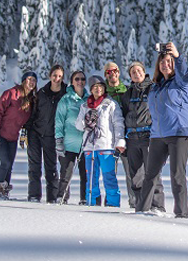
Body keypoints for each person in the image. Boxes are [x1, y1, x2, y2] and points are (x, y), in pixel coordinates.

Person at [136, 42, 188, 218]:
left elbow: (184, 73)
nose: (165, 64)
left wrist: (177, 56)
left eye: (169, 61)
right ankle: (141, 211)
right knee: (150, 175)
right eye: (162, 61)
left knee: (177, 175)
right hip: (158, 135)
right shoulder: (155, 87)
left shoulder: (180, 83)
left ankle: (181, 213)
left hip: (179, 132)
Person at [119, 61, 165, 211]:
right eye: (133, 72)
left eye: (138, 71)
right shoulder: (127, 94)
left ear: (144, 72)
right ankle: (141, 206)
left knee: (153, 173)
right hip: (132, 138)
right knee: (136, 176)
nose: (136, 74)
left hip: (148, 137)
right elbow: (124, 115)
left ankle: (157, 206)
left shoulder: (153, 89)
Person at [75, 75, 126, 207]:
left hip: (106, 146)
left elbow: (118, 123)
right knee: (91, 179)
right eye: (95, 87)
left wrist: (119, 141)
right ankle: (91, 203)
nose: (98, 89)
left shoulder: (110, 104)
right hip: (89, 147)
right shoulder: (85, 106)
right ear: (91, 89)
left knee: (109, 177)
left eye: (101, 86)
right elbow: (78, 126)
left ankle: (113, 204)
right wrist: (86, 122)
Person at [0, 71, 38, 200]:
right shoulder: (11, 93)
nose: (31, 82)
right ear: (23, 80)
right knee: (5, 162)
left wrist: (23, 135)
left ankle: (5, 192)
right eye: (29, 79)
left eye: (34, 80)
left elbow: (26, 121)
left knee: (10, 165)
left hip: (12, 137)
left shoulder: (30, 100)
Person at [25, 65, 66, 203]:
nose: (57, 78)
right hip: (35, 134)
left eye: (60, 76)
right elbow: (32, 114)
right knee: (34, 167)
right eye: (55, 75)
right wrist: (25, 132)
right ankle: (34, 195)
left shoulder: (66, 93)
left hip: (52, 136)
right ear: (50, 76)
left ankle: (52, 198)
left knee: (51, 168)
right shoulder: (42, 92)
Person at [103, 61, 136, 208]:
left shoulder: (127, 90)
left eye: (115, 71)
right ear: (106, 75)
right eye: (109, 72)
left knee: (131, 172)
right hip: (109, 139)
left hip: (128, 138)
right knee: (110, 173)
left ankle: (134, 202)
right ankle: (110, 203)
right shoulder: (102, 92)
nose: (112, 74)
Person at [54, 70, 89, 205]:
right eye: (77, 79)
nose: (80, 82)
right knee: (66, 173)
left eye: (82, 79)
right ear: (72, 82)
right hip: (68, 143)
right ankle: (61, 197)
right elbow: (59, 121)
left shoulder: (88, 99)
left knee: (84, 174)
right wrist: (59, 140)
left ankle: (84, 198)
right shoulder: (66, 99)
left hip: (84, 144)